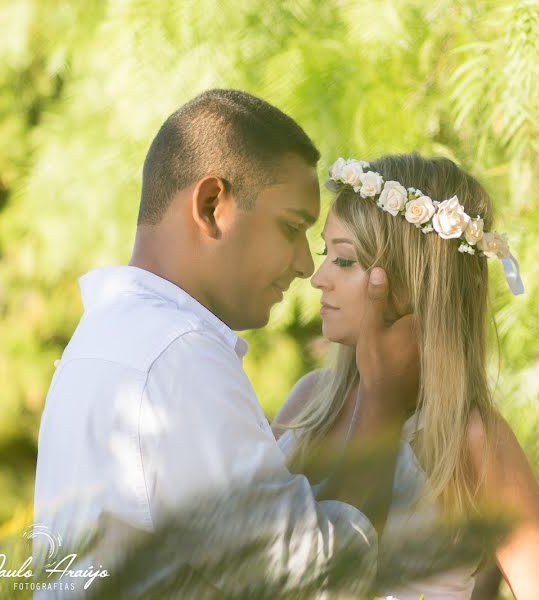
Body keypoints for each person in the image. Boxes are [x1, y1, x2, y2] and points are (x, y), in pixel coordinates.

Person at [33, 89, 418, 597]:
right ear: (213, 205)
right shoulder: (176, 357)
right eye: (291, 227)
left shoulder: (108, 336)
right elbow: (312, 579)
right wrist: (384, 404)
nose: (306, 265)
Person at [273, 153, 539, 600]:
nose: (318, 278)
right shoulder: (308, 405)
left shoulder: (470, 439)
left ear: (409, 279)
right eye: (327, 253)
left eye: (343, 260)